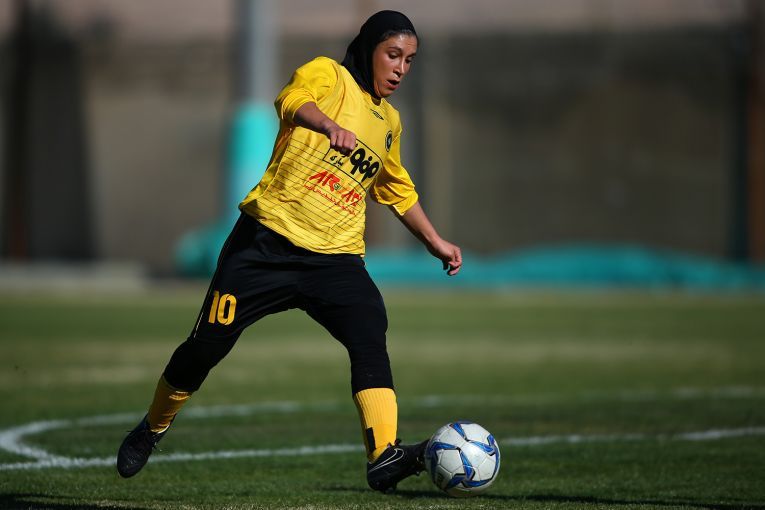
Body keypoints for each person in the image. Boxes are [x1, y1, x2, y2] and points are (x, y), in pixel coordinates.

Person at [116, 10, 462, 493]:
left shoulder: (390, 122)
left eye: (409, 60)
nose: (401, 68)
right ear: (369, 49)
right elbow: (291, 101)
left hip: (335, 259)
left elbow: (395, 189)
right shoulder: (329, 74)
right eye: (393, 55)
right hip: (266, 244)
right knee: (206, 347)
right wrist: (327, 125)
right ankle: (152, 427)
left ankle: (383, 454)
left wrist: (435, 242)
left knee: (369, 329)